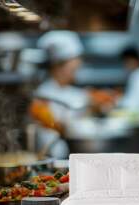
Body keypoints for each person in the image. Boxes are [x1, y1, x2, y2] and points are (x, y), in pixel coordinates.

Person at [30, 30, 115, 158]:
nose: (78, 67)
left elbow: (84, 104)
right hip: (54, 158)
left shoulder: (71, 91)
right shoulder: (43, 95)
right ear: (59, 65)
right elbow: (56, 127)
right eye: (74, 64)